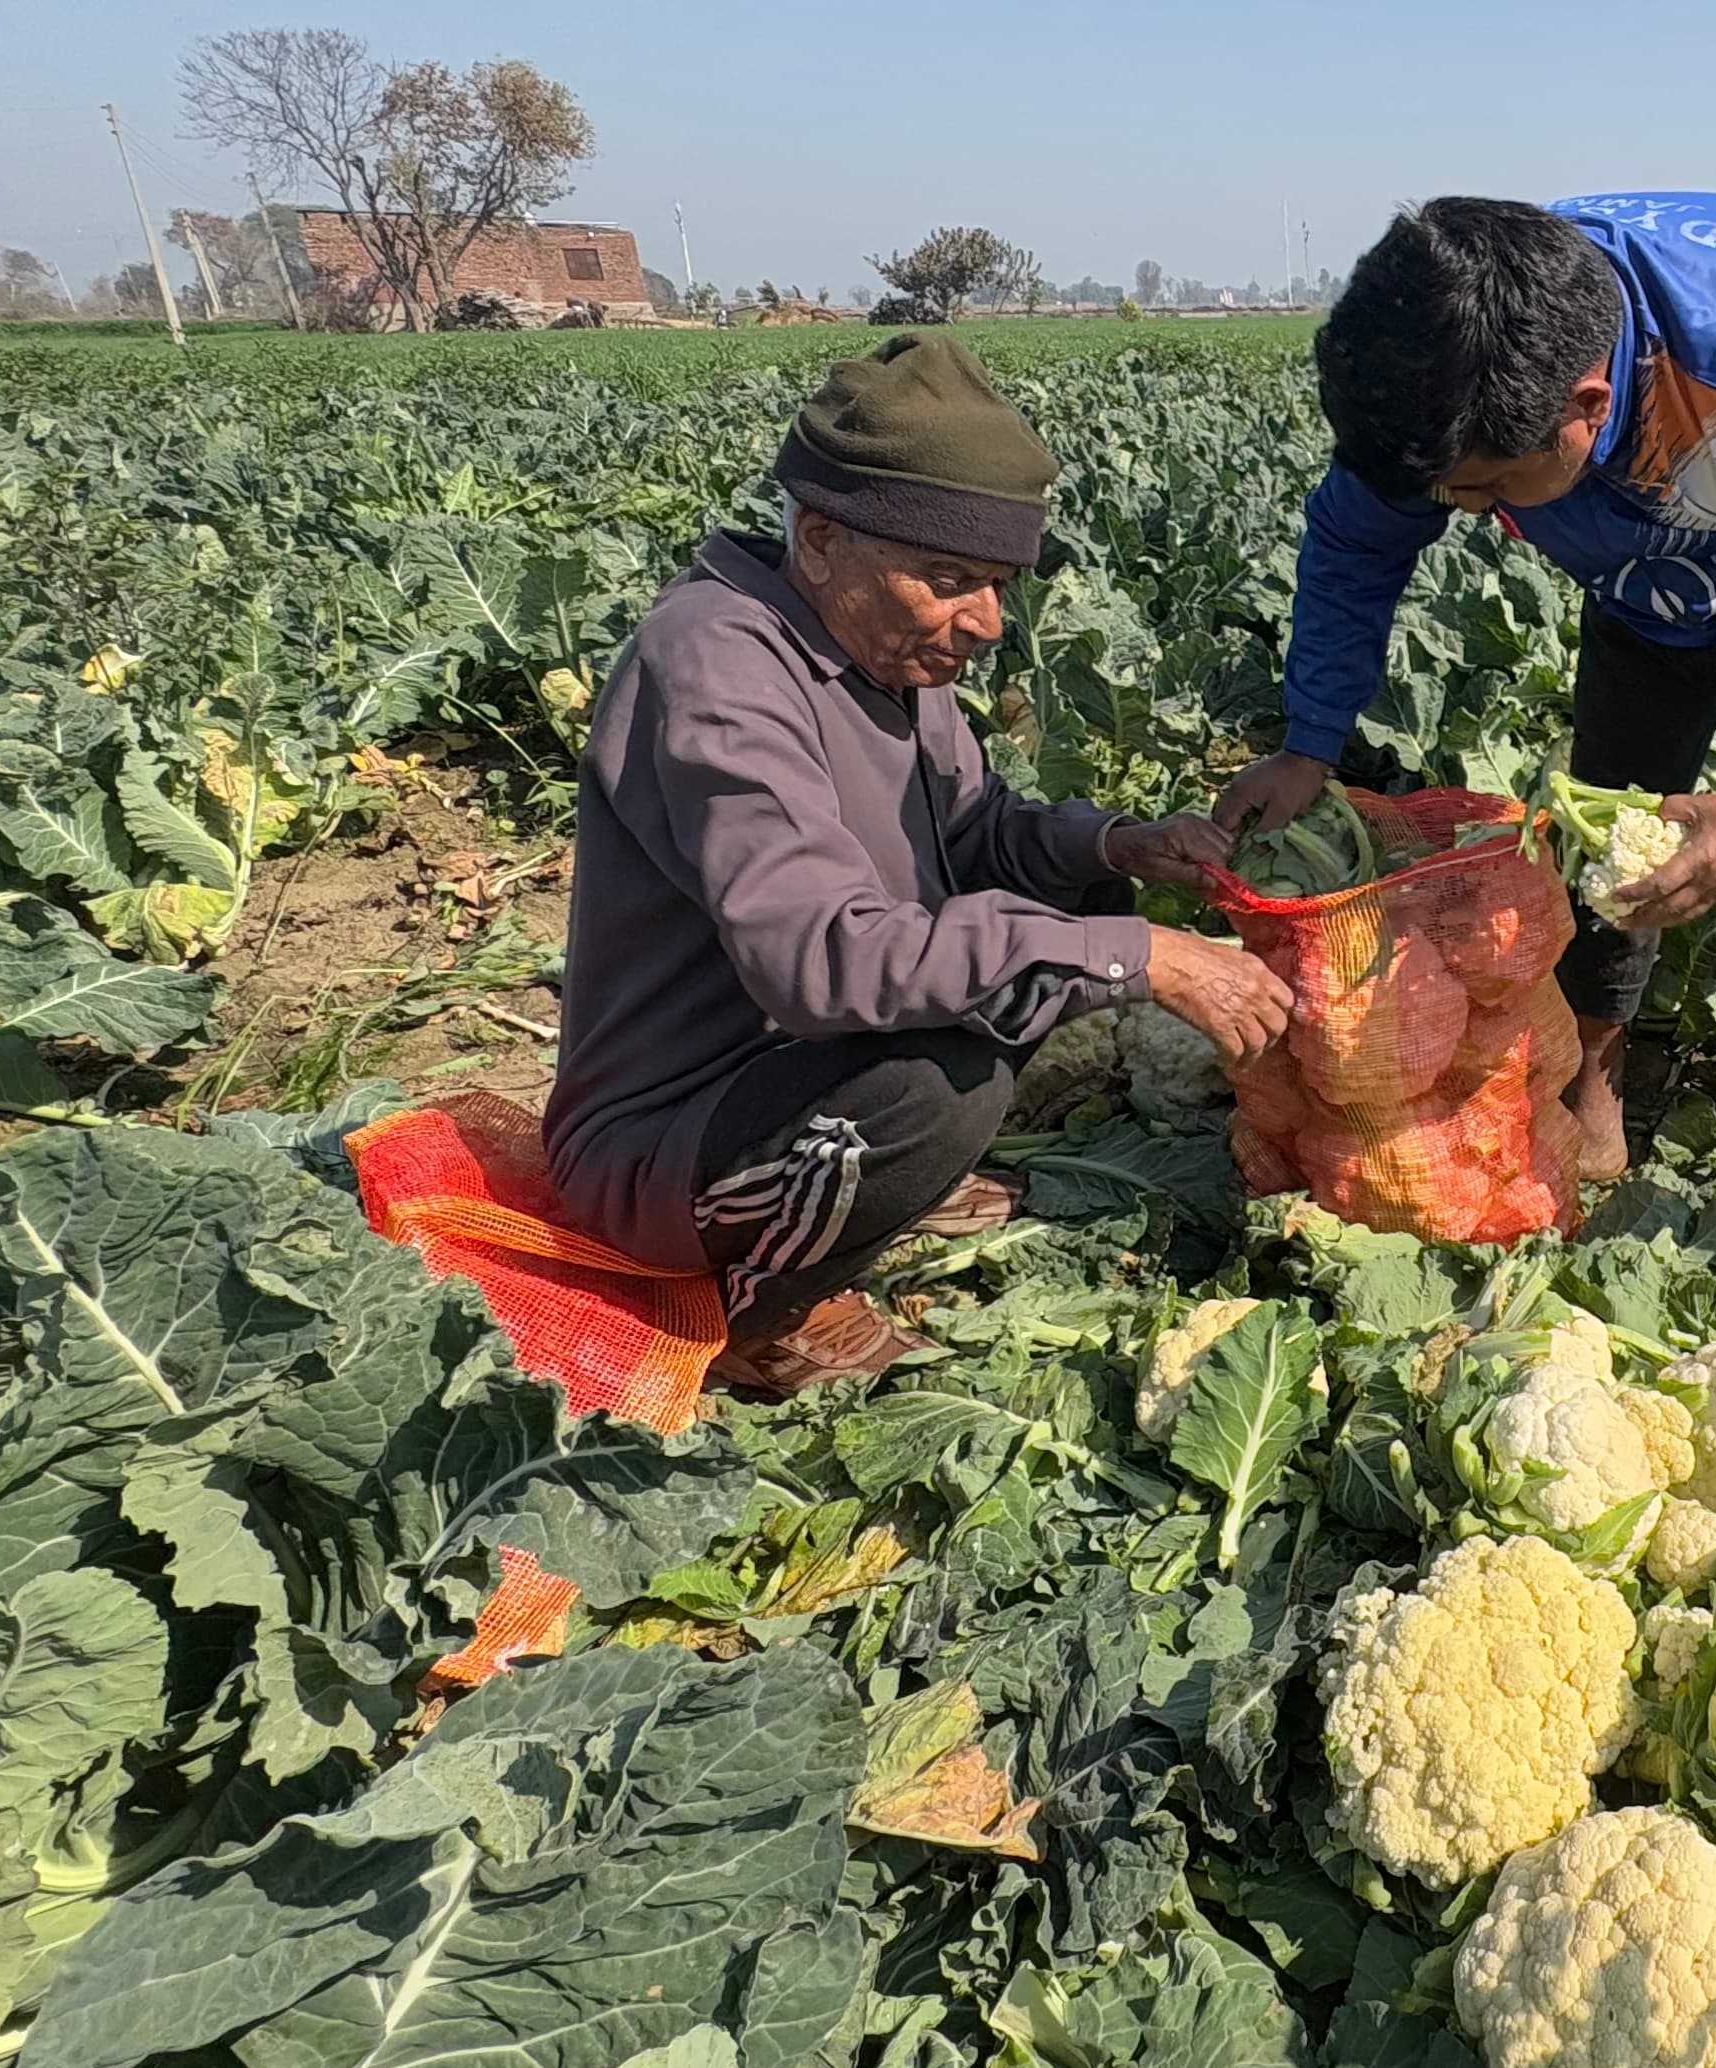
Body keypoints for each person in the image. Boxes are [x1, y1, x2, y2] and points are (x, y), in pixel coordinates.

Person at [1217, 194, 1716, 1287]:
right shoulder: (1453, 361)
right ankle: (1591, 1098)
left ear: (1586, 406)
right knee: (1602, 840)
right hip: (1647, 592)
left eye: (1490, 491)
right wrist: (1309, 743)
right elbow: (1356, 542)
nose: (1464, 511)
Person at [548, 333, 1289, 1398]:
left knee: (1074, 904)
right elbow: (821, 960)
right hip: (668, 1138)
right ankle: (746, 1317)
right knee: (941, 1086)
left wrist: (1117, 847)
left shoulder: (884, 647)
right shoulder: (716, 668)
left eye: (998, 585)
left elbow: (977, 834)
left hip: (795, 1064)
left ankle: (849, 1187)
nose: (986, 622)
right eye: (950, 579)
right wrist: (1146, 958)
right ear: (818, 541)